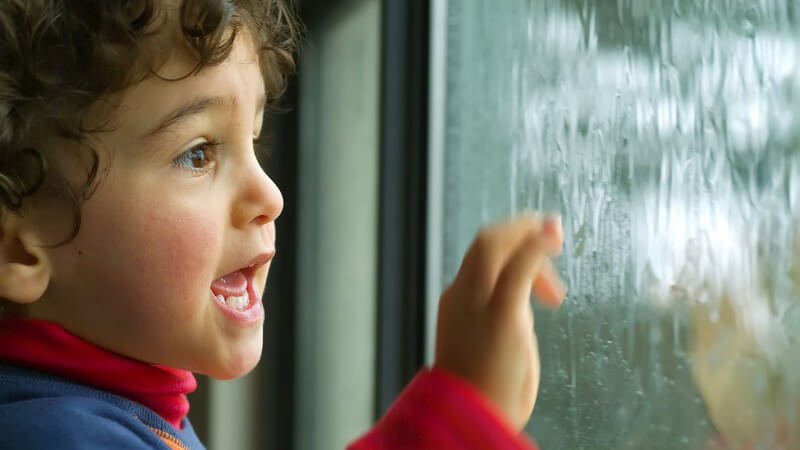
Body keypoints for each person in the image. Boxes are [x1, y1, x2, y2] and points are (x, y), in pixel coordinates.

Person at [0, 0, 567, 449]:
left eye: (253, 139)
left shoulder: (120, 415)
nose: (270, 194)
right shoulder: (53, 434)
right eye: (198, 154)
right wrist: (457, 416)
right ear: (20, 251)